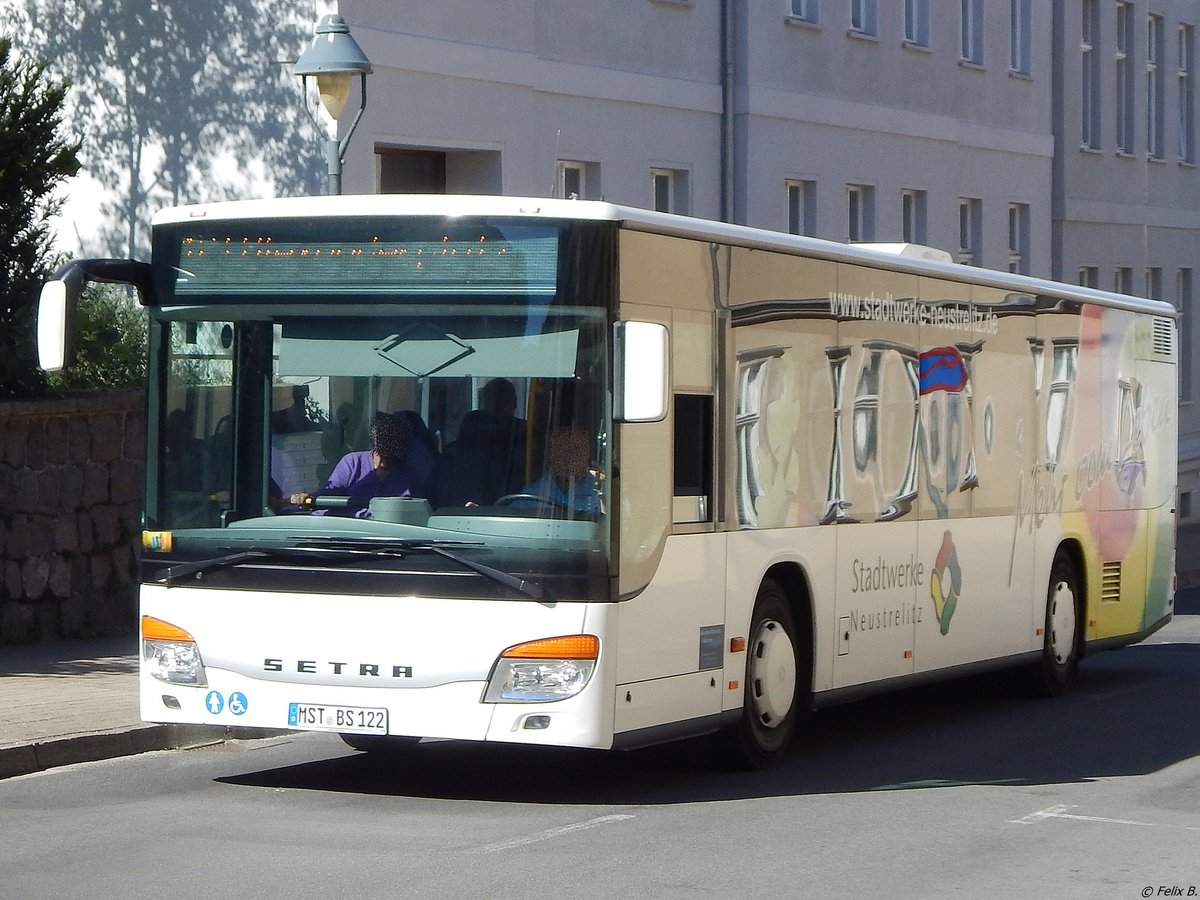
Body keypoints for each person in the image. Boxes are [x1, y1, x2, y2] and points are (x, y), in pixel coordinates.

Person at [289, 412, 420, 511]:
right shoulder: (353, 462)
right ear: (374, 439)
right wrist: (308, 498)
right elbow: (328, 492)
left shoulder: (409, 474)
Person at [518, 425, 602, 515]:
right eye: (561, 450)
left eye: (575, 450)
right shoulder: (532, 493)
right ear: (551, 455)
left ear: (587, 455)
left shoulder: (599, 493)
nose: (568, 457)